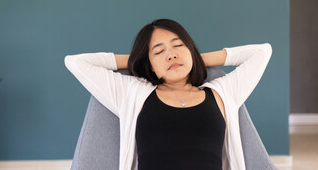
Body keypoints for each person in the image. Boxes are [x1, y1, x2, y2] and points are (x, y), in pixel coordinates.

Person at [64, 18, 273, 170]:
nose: (171, 54)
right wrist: (139, 61)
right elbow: (76, 62)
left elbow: (262, 52)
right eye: (158, 51)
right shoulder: (133, 94)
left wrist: (197, 59)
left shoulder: (222, 93)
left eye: (178, 46)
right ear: (150, 64)